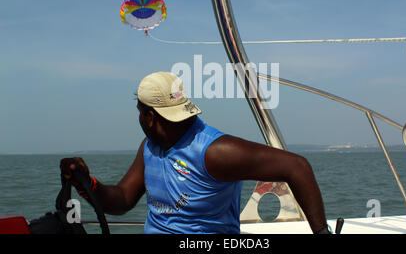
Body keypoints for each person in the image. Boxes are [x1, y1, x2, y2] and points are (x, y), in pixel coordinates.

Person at [60, 71, 330, 234]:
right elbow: (121, 200)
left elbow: (297, 167)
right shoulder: (150, 148)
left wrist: (321, 232)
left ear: (149, 117)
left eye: (139, 113)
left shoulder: (215, 151)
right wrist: (86, 182)